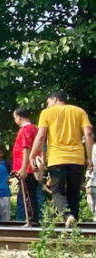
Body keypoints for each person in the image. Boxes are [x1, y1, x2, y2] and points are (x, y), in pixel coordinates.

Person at [29, 91, 94, 227]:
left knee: (57, 191)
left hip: (57, 159)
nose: (47, 105)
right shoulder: (79, 111)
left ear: (55, 99)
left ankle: (67, 215)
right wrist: (89, 158)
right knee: (73, 192)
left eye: (48, 102)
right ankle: (73, 226)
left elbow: (41, 136)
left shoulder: (47, 114)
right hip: (77, 159)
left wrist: (32, 154)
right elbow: (88, 134)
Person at [12, 106, 40, 226]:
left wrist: (23, 168)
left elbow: (26, 148)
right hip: (31, 167)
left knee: (28, 195)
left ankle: (31, 220)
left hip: (27, 169)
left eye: (15, 118)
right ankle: (32, 219)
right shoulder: (35, 128)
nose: (15, 120)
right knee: (30, 193)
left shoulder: (26, 129)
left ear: (19, 117)